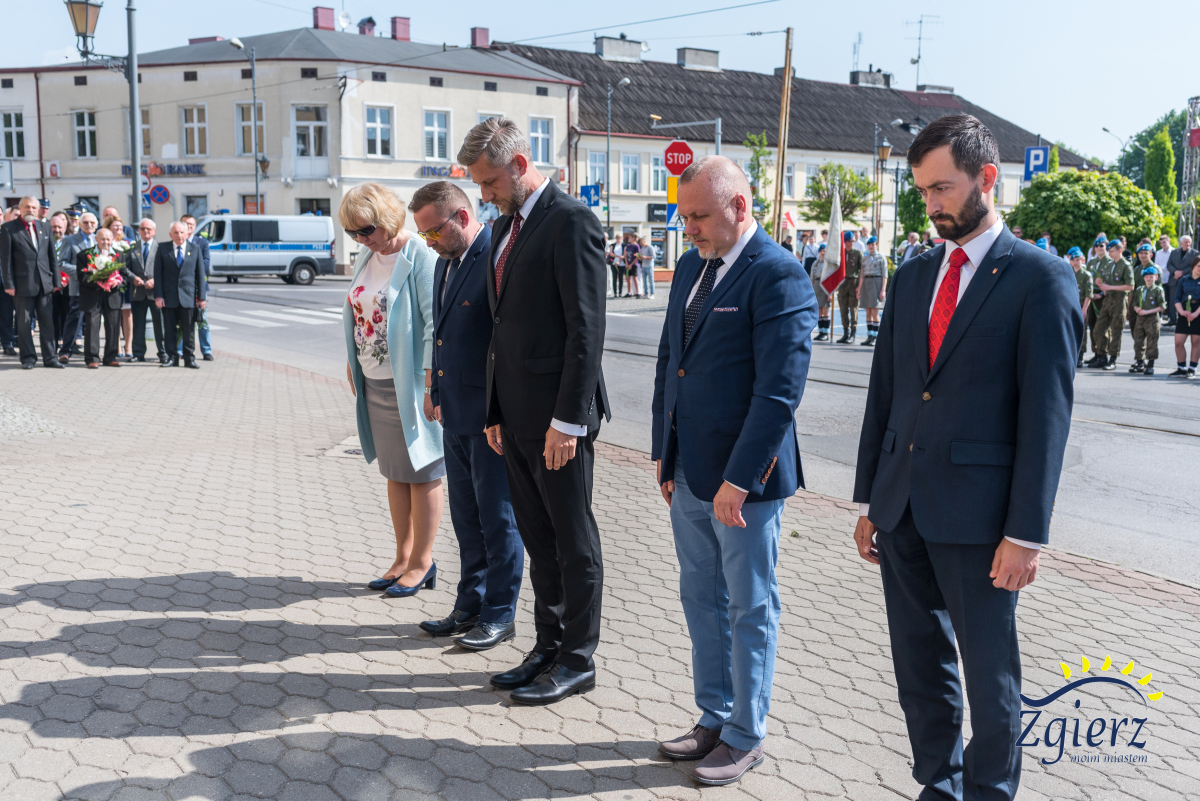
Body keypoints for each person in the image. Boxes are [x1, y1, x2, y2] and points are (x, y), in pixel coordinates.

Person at [853, 114, 1082, 801]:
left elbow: (1046, 418)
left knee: (990, 672)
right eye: (922, 191)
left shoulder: (1041, 279)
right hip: (902, 508)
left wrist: (1026, 533)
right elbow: (888, 393)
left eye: (943, 188)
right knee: (918, 664)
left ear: (987, 178)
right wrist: (871, 500)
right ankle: (940, 780)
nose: (931, 204)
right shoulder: (914, 274)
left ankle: (989, 790)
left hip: (983, 523)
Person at [652, 156, 817, 786]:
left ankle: (747, 735)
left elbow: (778, 393)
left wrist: (739, 480)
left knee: (750, 606)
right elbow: (671, 362)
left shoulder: (777, 274)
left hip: (742, 486)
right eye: (683, 215)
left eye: (698, 215)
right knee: (701, 599)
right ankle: (713, 718)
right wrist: (664, 452)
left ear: (740, 206)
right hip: (688, 472)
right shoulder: (691, 267)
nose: (688, 227)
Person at [460, 115, 609, 705]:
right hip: (516, 418)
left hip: (558, 423)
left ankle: (577, 659)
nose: (483, 194)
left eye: (490, 181)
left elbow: (585, 330)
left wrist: (567, 421)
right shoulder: (504, 226)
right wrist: (495, 410)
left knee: (572, 541)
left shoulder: (571, 221)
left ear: (520, 165)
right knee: (537, 538)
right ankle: (547, 647)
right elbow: (502, 329)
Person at [410, 181, 525, 650]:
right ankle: (469, 605)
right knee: (466, 519)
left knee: (498, 519)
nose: (428, 243)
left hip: (489, 418)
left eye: (433, 232)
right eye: (422, 235)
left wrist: (499, 410)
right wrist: (435, 390)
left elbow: (506, 342)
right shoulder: (445, 260)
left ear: (461, 216)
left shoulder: (495, 256)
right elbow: (440, 333)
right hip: (454, 412)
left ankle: (499, 614)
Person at [339, 183, 446, 598]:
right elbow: (359, 312)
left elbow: (433, 323)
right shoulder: (368, 255)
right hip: (375, 382)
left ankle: (422, 562)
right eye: (352, 233)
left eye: (366, 230)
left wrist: (431, 381)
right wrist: (354, 360)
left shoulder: (419, 254)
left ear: (387, 218)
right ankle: (402, 558)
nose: (360, 239)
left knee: (423, 472)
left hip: (410, 384)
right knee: (395, 473)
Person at [0, 196, 63, 369]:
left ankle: (50, 358)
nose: (31, 210)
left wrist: (56, 281)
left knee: (47, 322)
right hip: (22, 283)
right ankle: (28, 358)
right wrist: (9, 284)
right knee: (24, 323)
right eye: (27, 207)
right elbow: (6, 260)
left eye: (34, 207)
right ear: (20, 208)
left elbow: (52, 256)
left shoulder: (44, 227)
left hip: (44, 282)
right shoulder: (9, 228)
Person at [77, 227, 135, 368]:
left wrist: (116, 281)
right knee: (92, 326)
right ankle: (92, 358)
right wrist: (99, 280)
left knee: (113, 326)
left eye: (108, 239)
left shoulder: (119, 255)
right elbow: (81, 277)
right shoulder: (84, 255)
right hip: (92, 296)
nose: (106, 242)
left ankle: (110, 357)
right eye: (102, 239)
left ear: (112, 239)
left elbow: (124, 275)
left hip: (112, 295)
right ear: (96, 239)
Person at [153, 221, 207, 369]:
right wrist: (159, 296)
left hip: (188, 297)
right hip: (168, 297)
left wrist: (202, 298)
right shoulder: (163, 248)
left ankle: (189, 359)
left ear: (187, 234)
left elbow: (200, 275)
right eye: (176, 233)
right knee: (169, 329)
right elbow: (158, 274)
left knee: (189, 330)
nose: (179, 235)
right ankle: (172, 358)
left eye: (182, 232)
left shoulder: (195, 249)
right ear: (170, 234)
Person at [126, 218, 167, 364]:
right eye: (142, 229)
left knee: (160, 325)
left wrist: (155, 280)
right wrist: (133, 278)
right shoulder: (132, 248)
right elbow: (125, 268)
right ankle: (138, 354)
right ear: (139, 231)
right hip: (137, 292)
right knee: (138, 325)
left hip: (156, 293)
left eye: (148, 229)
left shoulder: (161, 248)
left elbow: (167, 269)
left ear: (154, 231)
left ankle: (163, 353)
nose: (145, 231)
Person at [1091, 239, 1134, 370]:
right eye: (1108, 251)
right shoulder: (1110, 265)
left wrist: (1109, 287)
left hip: (1119, 300)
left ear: (1119, 250)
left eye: (1111, 251)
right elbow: (1106, 280)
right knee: (1098, 328)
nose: (1109, 253)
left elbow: (1130, 286)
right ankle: (1102, 356)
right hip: (1108, 299)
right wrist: (1100, 282)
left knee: (1116, 330)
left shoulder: (1126, 265)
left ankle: (1113, 359)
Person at [181, 214, 214, 361]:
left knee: (202, 320)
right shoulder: (177, 242)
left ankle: (206, 351)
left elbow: (205, 264)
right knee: (182, 320)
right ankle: (180, 350)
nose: (188, 227)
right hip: (182, 287)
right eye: (185, 224)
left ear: (195, 227)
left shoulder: (202, 243)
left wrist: (189, 272)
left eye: (191, 224)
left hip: (198, 286)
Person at [102, 214, 135, 360]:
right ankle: (117, 346)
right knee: (114, 315)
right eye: (115, 226)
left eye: (120, 226)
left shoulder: (127, 243)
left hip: (125, 283)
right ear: (108, 227)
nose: (118, 228)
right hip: (111, 284)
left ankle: (128, 346)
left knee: (127, 314)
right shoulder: (106, 243)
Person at [1129, 261, 1165, 375]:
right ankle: (1140, 362)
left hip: (1152, 318)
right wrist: (1137, 309)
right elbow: (1135, 303)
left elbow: (1162, 306)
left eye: (1151, 276)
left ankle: (1150, 364)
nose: (1149, 279)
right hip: (1140, 318)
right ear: (1144, 278)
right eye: (1147, 276)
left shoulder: (1158, 290)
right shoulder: (1140, 289)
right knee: (1138, 340)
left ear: (1156, 277)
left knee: (1152, 341)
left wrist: (1147, 311)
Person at [1170, 252, 1200, 377]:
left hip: (1198, 311)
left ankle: (1192, 369)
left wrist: (1195, 314)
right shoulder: (1183, 280)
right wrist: (1182, 311)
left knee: (1196, 342)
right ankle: (1181, 368)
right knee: (1178, 342)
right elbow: (1177, 298)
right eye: (1199, 266)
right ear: (1193, 266)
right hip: (1184, 311)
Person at [858, 236, 888, 346]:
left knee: (875, 312)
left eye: (873, 244)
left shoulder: (881, 257)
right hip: (866, 283)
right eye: (869, 245)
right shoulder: (865, 258)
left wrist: (883, 290)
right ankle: (869, 336)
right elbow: (862, 274)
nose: (871, 246)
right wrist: (859, 288)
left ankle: (875, 337)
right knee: (868, 311)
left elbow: (885, 274)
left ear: (877, 245)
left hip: (877, 282)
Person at [48, 212, 70, 352]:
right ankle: (53, 347)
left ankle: (66, 348)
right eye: (54, 227)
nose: (57, 230)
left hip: (67, 286)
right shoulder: (44, 241)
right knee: (52, 318)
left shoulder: (69, 242)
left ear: (65, 227)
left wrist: (65, 278)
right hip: (49, 286)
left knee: (67, 317)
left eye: (59, 227)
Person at [1068, 247, 1093, 368]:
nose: (1076, 262)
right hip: (1071, 303)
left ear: (1083, 260)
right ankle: (1073, 355)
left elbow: (1089, 294)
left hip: (1082, 303)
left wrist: (1084, 310)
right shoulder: (1069, 273)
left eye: (1078, 259)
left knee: (1081, 329)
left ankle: (1081, 355)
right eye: (1074, 260)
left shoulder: (1086, 275)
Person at [836, 230, 862, 343]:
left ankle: (853, 334)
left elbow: (861, 271)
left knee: (853, 308)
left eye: (853, 241)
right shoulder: (840, 253)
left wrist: (859, 287)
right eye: (850, 241)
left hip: (853, 282)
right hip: (843, 283)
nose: (852, 243)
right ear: (845, 242)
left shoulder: (858, 253)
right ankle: (845, 333)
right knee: (843, 308)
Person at [1166, 235, 1196, 327]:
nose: (1188, 244)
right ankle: (1172, 320)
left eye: (1189, 242)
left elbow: (1194, 266)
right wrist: (1175, 272)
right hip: (1174, 279)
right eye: (1186, 242)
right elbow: (1169, 264)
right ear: (1181, 243)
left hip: (1188, 280)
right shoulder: (1174, 252)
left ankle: (1185, 320)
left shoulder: (1195, 253)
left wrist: (1182, 273)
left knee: (1185, 300)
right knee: (1172, 300)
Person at [812, 243, 832, 340]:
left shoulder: (829, 263)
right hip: (817, 285)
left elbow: (831, 278)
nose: (823, 253)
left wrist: (830, 293)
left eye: (824, 251)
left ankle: (826, 333)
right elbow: (812, 278)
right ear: (819, 252)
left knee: (825, 310)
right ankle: (821, 332)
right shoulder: (815, 263)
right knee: (819, 311)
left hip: (826, 286)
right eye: (821, 251)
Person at [624, 233, 641, 298]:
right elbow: (625, 255)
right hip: (628, 264)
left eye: (629, 237)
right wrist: (626, 263)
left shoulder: (636, 246)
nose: (628, 238)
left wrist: (631, 264)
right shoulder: (628, 246)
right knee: (628, 278)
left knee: (635, 278)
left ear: (633, 238)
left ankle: (637, 292)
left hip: (634, 264)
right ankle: (629, 292)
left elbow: (637, 256)